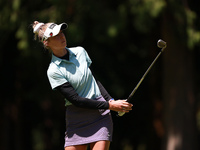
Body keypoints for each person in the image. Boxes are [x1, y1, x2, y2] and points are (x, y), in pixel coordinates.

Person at [32, 21, 133, 150]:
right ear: (47, 43)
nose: (62, 37)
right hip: (76, 118)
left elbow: (93, 80)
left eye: (61, 33)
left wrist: (110, 100)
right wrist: (110, 105)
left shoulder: (80, 52)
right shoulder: (53, 71)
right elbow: (76, 100)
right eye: (56, 35)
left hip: (100, 114)